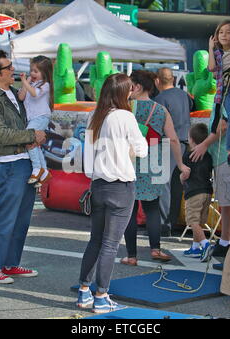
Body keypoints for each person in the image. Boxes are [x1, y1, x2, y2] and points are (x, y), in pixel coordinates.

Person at [76, 73, 148, 313]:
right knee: (110, 244)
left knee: (95, 240)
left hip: (97, 185)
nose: (131, 93)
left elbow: (87, 160)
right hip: (121, 185)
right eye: (128, 89)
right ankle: (102, 296)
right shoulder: (126, 117)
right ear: (122, 93)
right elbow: (142, 150)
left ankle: (84, 291)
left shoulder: (94, 116)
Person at [0, 50, 46, 284]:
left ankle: (10, 264)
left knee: (22, 219)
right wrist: (32, 135)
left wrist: (35, 135)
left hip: (24, 161)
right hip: (10, 163)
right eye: (7, 68)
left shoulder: (14, 94)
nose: (12, 70)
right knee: (5, 218)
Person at [120, 70, 190, 266]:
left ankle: (132, 255)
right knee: (152, 209)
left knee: (130, 210)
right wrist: (181, 163)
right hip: (154, 161)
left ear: (139, 87)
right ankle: (155, 249)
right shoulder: (160, 110)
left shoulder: (126, 108)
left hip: (129, 160)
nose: (129, 89)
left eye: (130, 85)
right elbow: (173, 139)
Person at [189, 93, 230, 270]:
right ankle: (225, 243)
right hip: (228, 155)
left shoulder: (229, 97)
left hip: (227, 157)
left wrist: (204, 144)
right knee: (228, 203)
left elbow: (223, 126)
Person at [154, 67, 192, 234]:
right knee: (176, 185)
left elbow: (157, 123)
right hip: (185, 143)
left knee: (163, 184)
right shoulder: (184, 95)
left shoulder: (160, 98)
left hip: (166, 143)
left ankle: (163, 225)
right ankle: (172, 222)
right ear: (174, 79)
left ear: (157, 81)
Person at [208, 20, 230, 168]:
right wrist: (211, 47)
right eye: (221, 32)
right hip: (227, 92)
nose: (224, 35)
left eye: (228, 32)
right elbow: (211, 68)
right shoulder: (217, 53)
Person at [180, 123, 213, 261]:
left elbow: (185, 175)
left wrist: (181, 177)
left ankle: (205, 244)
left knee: (192, 221)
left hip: (194, 192)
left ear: (191, 139)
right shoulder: (208, 155)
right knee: (199, 221)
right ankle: (195, 247)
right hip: (207, 191)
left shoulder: (188, 156)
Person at [18, 55, 53, 187]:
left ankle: (37, 168)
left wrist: (26, 82)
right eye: (31, 70)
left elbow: (34, 93)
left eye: (36, 71)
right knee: (34, 144)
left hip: (41, 117)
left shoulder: (46, 85)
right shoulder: (30, 83)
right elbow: (21, 97)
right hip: (33, 118)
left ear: (44, 73)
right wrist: (25, 83)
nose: (32, 73)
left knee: (28, 138)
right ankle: (44, 172)